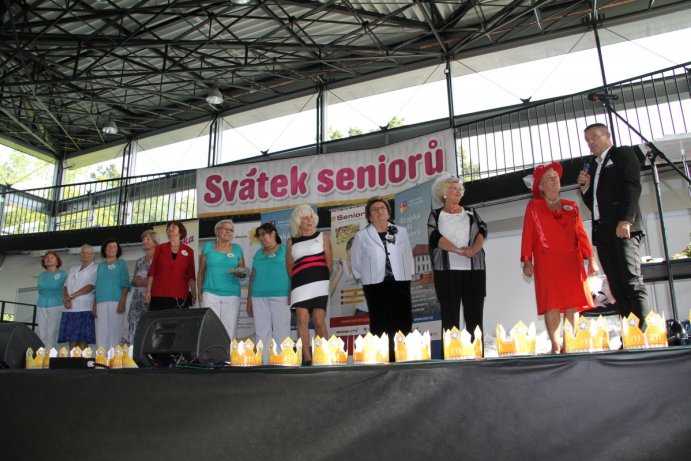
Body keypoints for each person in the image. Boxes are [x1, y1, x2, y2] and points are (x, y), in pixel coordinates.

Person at [522, 162, 598, 353]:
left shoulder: (571, 206)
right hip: (546, 260)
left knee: (573, 304)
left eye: (556, 176)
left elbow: (580, 234)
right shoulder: (533, 206)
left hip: (572, 260)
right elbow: (528, 234)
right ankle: (556, 346)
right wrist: (526, 260)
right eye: (549, 177)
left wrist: (591, 258)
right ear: (540, 186)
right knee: (551, 303)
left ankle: (569, 345)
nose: (555, 178)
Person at [578, 123, 650, 323]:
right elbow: (596, 204)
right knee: (616, 286)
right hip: (603, 233)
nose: (590, 142)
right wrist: (585, 190)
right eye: (587, 140)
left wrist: (626, 219)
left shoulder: (622, 154)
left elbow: (632, 185)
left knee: (632, 282)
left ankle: (644, 334)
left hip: (622, 228)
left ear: (608, 135)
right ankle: (629, 333)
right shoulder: (594, 166)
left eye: (594, 136)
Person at [350, 197, 414, 361]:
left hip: (400, 281)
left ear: (388, 212)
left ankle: (402, 356)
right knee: (380, 321)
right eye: (375, 209)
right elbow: (356, 261)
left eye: (382, 208)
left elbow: (407, 254)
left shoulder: (400, 231)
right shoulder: (362, 235)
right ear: (369, 216)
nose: (379, 211)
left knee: (403, 319)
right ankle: (382, 358)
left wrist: (409, 275)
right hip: (375, 284)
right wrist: (364, 276)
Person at [427, 175, 487, 345]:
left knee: (475, 319)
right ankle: (452, 360)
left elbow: (483, 230)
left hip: (474, 272)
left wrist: (474, 249)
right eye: (454, 188)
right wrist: (459, 250)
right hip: (446, 273)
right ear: (444, 193)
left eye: (460, 188)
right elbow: (434, 237)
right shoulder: (436, 214)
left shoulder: (471, 212)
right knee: (450, 319)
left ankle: (476, 358)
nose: (459, 190)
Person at [286, 205, 332, 365]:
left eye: (311, 216)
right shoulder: (291, 242)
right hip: (300, 284)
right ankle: (307, 358)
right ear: (298, 222)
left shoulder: (323, 237)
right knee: (302, 318)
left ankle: (324, 356)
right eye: (305, 217)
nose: (309, 220)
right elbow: (289, 268)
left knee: (319, 320)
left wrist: (319, 276)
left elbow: (329, 265)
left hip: (320, 282)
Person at [248, 222, 291, 364]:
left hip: (282, 295)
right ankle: (263, 362)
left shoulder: (285, 250)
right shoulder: (258, 254)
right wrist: (249, 298)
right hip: (258, 296)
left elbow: (292, 273)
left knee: (282, 330)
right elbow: (252, 277)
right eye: (259, 236)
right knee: (261, 331)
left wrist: (292, 292)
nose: (261, 238)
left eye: (264, 234)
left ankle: (282, 361)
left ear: (273, 233)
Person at [198, 219, 246, 340]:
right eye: (226, 229)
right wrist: (199, 292)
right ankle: (211, 357)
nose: (228, 232)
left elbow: (243, 272)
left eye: (231, 230)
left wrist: (238, 272)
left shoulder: (237, 249)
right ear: (217, 231)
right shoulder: (207, 247)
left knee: (229, 328)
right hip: (209, 293)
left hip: (232, 294)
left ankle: (229, 357)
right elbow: (201, 271)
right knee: (210, 327)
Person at [146, 221, 197, 310]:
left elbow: (191, 275)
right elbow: (152, 271)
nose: (170, 228)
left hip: (180, 295)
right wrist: (148, 291)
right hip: (159, 294)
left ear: (180, 232)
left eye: (174, 227)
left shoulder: (189, 251)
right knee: (158, 322)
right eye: (169, 227)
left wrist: (194, 293)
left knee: (178, 323)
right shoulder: (160, 248)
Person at [93, 239, 130, 350]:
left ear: (118, 249)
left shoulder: (121, 263)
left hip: (116, 301)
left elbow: (125, 284)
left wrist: (122, 301)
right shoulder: (100, 266)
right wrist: (94, 305)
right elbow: (97, 286)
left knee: (115, 331)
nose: (111, 248)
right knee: (101, 331)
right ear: (104, 249)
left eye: (114, 246)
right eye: (109, 246)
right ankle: (101, 360)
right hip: (100, 302)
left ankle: (114, 360)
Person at [59, 245, 97, 350]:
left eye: (88, 253)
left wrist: (71, 296)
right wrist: (66, 298)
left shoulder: (96, 268)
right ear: (80, 255)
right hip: (70, 308)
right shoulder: (73, 268)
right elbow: (65, 286)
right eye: (83, 252)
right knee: (71, 339)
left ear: (93, 256)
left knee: (82, 340)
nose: (85, 254)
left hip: (84, 308)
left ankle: (83, 364)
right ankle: (72, 363)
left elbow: (90, 286)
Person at [122, 230, 157, 345]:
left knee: (147, 327)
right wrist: (134, 281)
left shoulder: (158, 259)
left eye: (148, 239)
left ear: (155, 241)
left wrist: (146, 282)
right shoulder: (140, 261)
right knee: (134, 326)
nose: (144, 241)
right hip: (136, 299)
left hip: (150, 297)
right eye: (143, 239)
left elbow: (161, 278)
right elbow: (133, 281)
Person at [329, 237, 368, 317]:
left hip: (350, 317)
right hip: (335, 317)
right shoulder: (336, 266)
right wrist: (339, 273)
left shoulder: (359, 271)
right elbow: (327, 293)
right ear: (348, 251)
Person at [36, 251, 67, 347]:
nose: (48, 259)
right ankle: (42, 356)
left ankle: (51, 357)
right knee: (41, 332)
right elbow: (41, 290)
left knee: (52, 332)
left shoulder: (63, 274)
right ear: (44, 262)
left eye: (52, 257)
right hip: (41, 304)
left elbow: (65, 289)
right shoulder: (41, 275)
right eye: (47, 257)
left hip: (57, 304)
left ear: (57, 261)